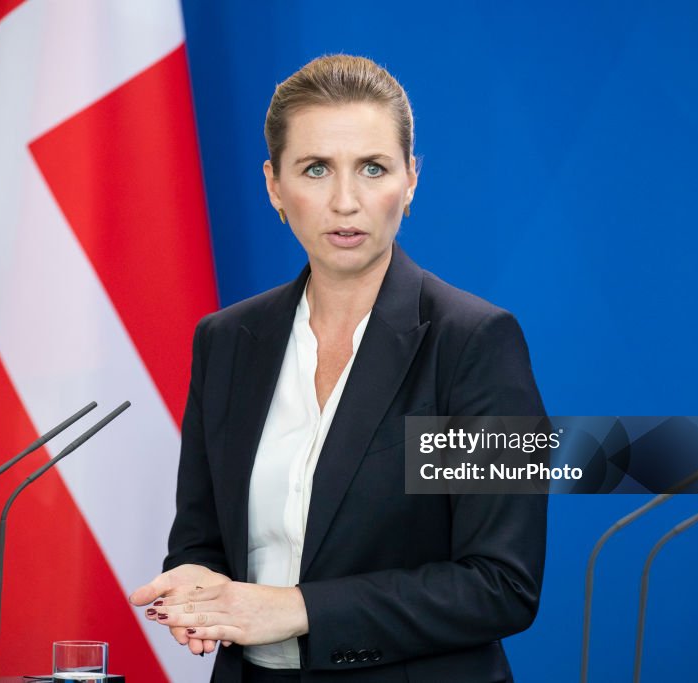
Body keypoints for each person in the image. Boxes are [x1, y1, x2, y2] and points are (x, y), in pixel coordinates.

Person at [130, 54, 547, 683]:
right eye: (316, 169)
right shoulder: (226, 341)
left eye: (372, 168)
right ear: (275, 185)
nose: (345, 201)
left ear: (410, 180)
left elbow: (499, 583)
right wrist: (200, 587)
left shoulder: (475, 342)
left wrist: (295, 609)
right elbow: (202, 538)